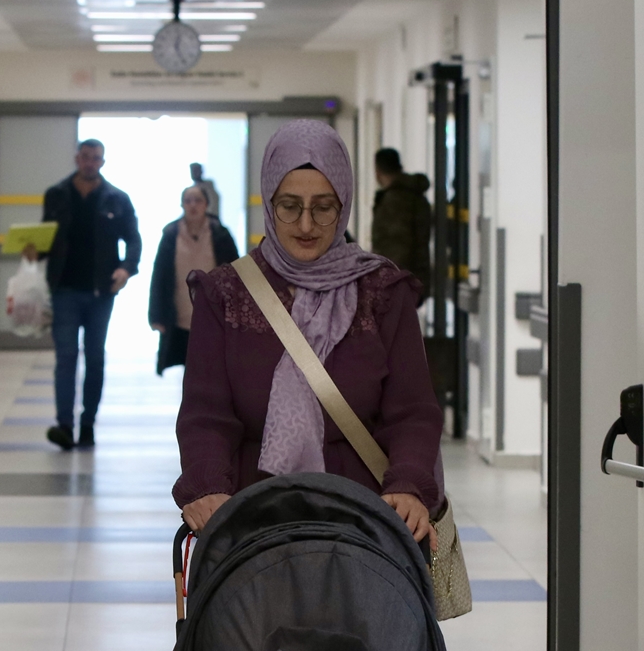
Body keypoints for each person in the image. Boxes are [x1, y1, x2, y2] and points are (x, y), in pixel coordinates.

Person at [172, 120, 444, 543]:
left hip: (363, 522)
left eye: (323, 207)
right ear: (269, 203)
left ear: (344, 205)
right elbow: (206, 414)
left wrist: (408, 485)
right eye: (289, 206)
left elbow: (412, 411)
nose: (305, 225)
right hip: (251, 521)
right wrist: (206, 485)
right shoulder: (225, 294)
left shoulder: (383, 292)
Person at [23, 138, 141, 450]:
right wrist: (34, 251)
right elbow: (47, 238)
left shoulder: (117, 199)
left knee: (95, 357)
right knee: (65, 357)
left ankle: (88, 423)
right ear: (77, 158)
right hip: (64, 288)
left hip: (101, 291)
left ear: (103, 162)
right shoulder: (57, 194)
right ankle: (64, 424)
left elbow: (133, 239)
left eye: (96, 158)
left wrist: (126, 269)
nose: (90, 162)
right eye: (85, 157)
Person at [149, 185, 239, 374]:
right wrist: (156, 315)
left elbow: (236, 275)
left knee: (214, 369)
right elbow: (159, 277)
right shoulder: (171, 235)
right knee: (188, 370)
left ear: (206, 204)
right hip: (180, 315)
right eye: (188, 201)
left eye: (198, 200)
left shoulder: (220, 234)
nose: (193, 205)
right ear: (181, 205)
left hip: (214, 316)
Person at [371, 147, 432, 301]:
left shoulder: (394, 201)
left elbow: (396, 249)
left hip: (398, 286)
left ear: (377, 171)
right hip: (415, 279)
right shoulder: (416, 196)